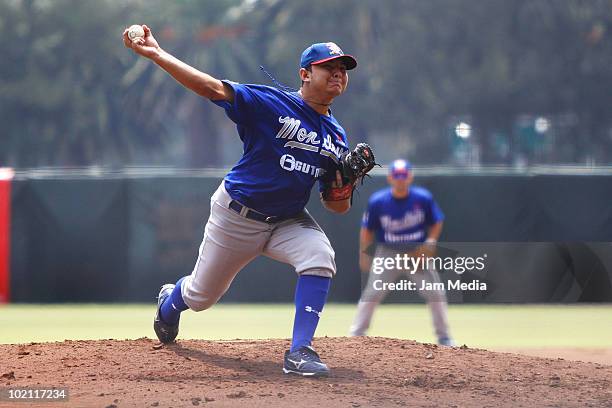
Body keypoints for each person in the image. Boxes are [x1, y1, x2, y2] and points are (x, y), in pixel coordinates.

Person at [123, 25, 360, 377]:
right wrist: (157, 54)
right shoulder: (271, 103)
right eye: (329, 67)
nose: (338, 73)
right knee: (202, 297)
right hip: (238, 214)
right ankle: (169, 302)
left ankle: (300, 352)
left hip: (288, 220)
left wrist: (346, 185)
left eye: (343, 69)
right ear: (305, 74)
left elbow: (335, 206)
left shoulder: (337, 136)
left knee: (319, 255)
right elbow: (211, 88)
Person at [349, 159, 455, 346]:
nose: (400, 180)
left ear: (410, 177)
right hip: (388, 252)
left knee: (435, 293)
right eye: (397, 176)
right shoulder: (378, 201)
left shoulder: (422, 198)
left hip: (416, 252)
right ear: (390, 178)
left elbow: (437, 220)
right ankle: (356, 334)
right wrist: (364, 253)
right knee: (372, 293)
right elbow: (367, 230)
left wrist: (430, 241)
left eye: (403, 176)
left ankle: (444, 337)